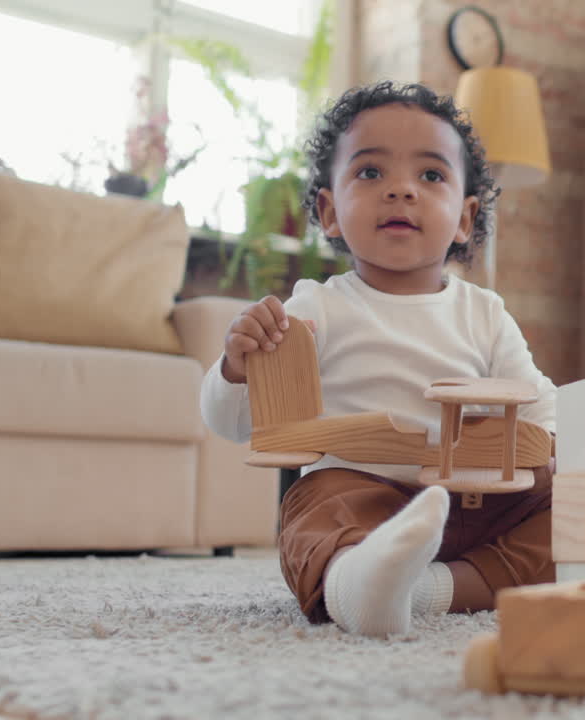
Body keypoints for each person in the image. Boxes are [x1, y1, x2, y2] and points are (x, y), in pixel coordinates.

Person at [200, 81, 557, 637]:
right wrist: (236, 370)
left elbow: (538, 408)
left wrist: (562, 456)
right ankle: (356, 579)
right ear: (330, 210)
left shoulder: (485, 313)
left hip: (476, 501)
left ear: (465, 219)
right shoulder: (314, 307)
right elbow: (236, 424)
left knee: (573, 513)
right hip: (360, 492)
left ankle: (425, 591)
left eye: (430, 175)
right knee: (313, 506)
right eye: (370, 173)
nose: (401, 191)